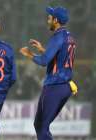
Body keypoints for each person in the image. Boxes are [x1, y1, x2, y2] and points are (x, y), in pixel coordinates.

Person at [19, 6, 77, 140]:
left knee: (42, 126)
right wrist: (42, 49)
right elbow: (59, 58)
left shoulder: (57, 37)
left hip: (55, 85)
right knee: (39, 125)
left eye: (50, 17)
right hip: (65, 85)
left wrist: (29, 54)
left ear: (56, 20)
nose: (48, 19)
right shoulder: (69, 37)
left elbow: (44, 61)